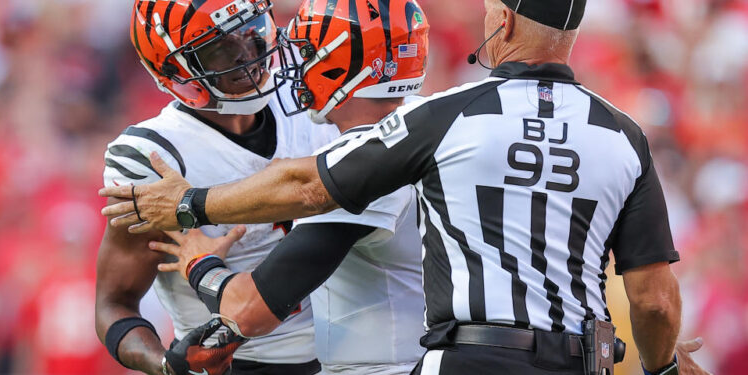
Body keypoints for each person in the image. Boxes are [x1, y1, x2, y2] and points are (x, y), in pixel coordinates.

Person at [100, 0, 711, 374]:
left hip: (397, 363)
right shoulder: (614, 133)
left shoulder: (427, 129)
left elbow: (296, 214)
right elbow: (649, 294)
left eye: (300, 43)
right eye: (226, 45)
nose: (271, 54)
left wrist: (193, 220)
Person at [147, 1, 431, 373]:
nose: (294, 65)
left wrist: (200, 262)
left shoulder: (365, 162)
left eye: (309, 52)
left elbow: (247, 311)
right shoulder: (432, 121)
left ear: (342, 63)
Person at [95, 0, 337, 374]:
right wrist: (164, 364)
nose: (248, 57)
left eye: (252, 33)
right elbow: (114, 303)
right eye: (219, 49)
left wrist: (193, 203)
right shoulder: (154, 157)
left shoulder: (307, 95)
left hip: (353, 357)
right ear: (173, 69)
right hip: (243, 365)